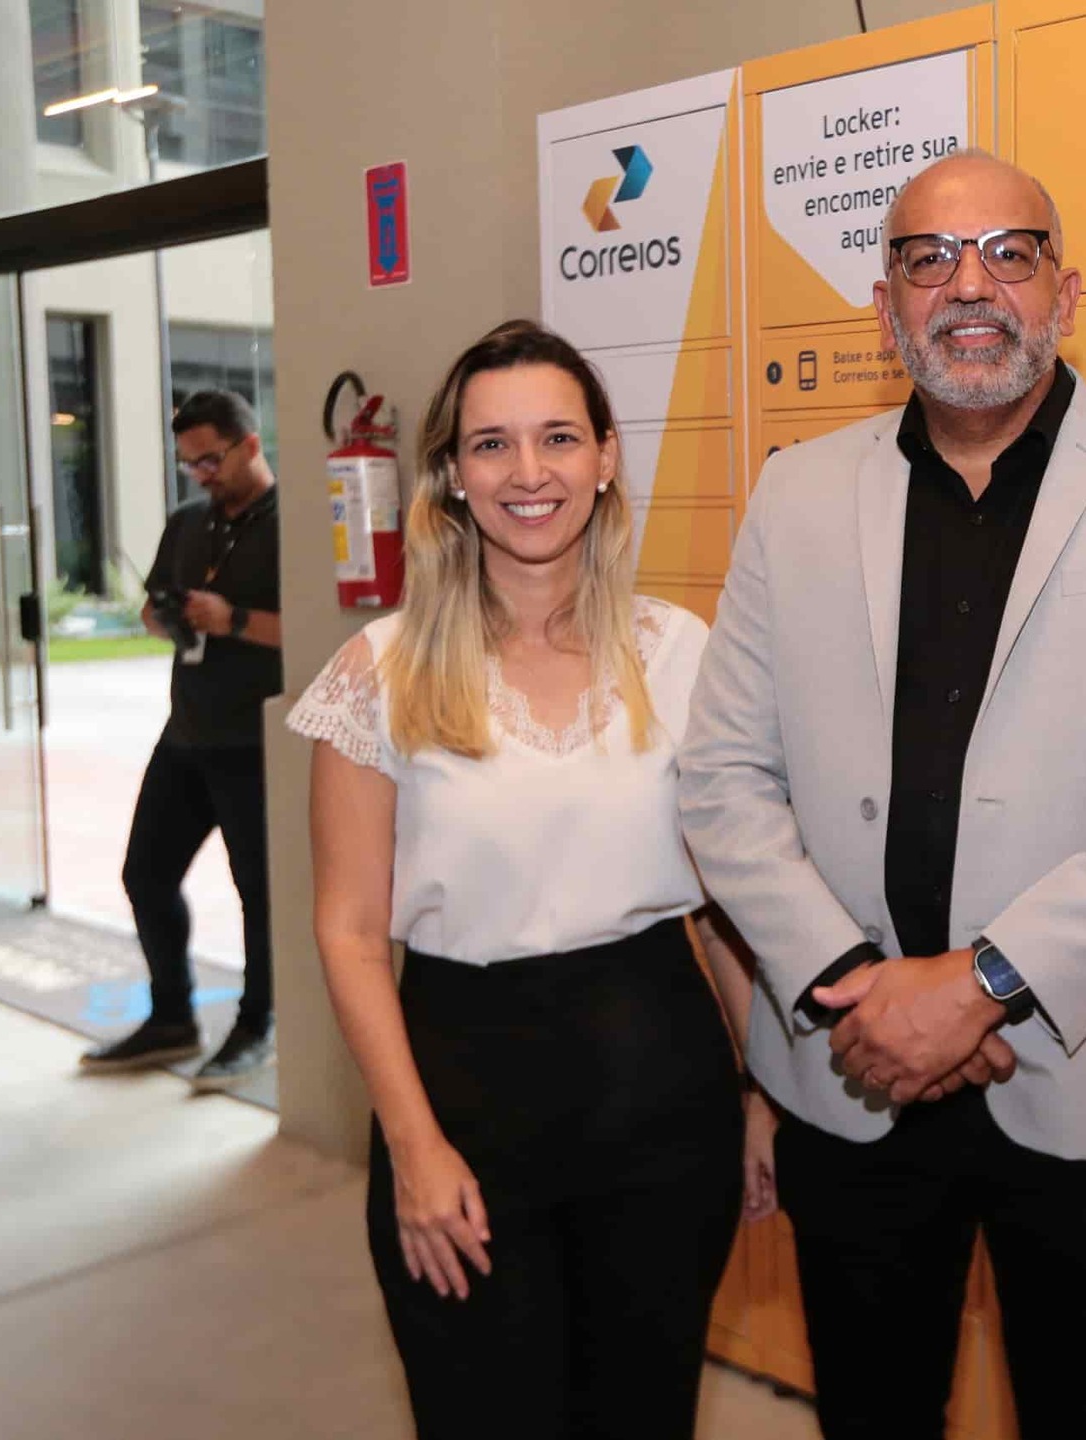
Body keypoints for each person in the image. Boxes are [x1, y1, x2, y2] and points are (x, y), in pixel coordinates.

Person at [678, 151, 1086, 1440]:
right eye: (929, 258)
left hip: (1084, 1065)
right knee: (871, 1406)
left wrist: (977, 984)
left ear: (1065, 294)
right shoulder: (795, 494)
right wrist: (855, 986)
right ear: (884, 302)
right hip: (848, 1070)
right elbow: (724, 773)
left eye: (1009, 254)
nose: (971, 287)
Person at [286, 320, 773, 1439]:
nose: (528, 472)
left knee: (645, 1417)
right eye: (492, 444)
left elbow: (724, 906)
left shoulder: (678, 652)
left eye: (558, 437)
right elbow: (351, 933)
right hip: (465, 1100)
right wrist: (412, 1147)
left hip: (666, 1096)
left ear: (605, 458)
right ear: (451, 476)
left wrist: (762, 1092)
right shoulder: (381, 671)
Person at [81, 389, 284, 1088]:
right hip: (187, 733)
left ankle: (258, 1026)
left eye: (209, 459)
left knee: (259, 893)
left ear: (250, 445)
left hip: (256, 740)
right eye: (188, 463)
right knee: (145, 874)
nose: (199, 472)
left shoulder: (295, 526)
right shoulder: (186, 522)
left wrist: (231, 620)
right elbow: (148, 609)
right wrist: (164, 615)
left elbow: (314, 631)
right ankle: (172, 1018)